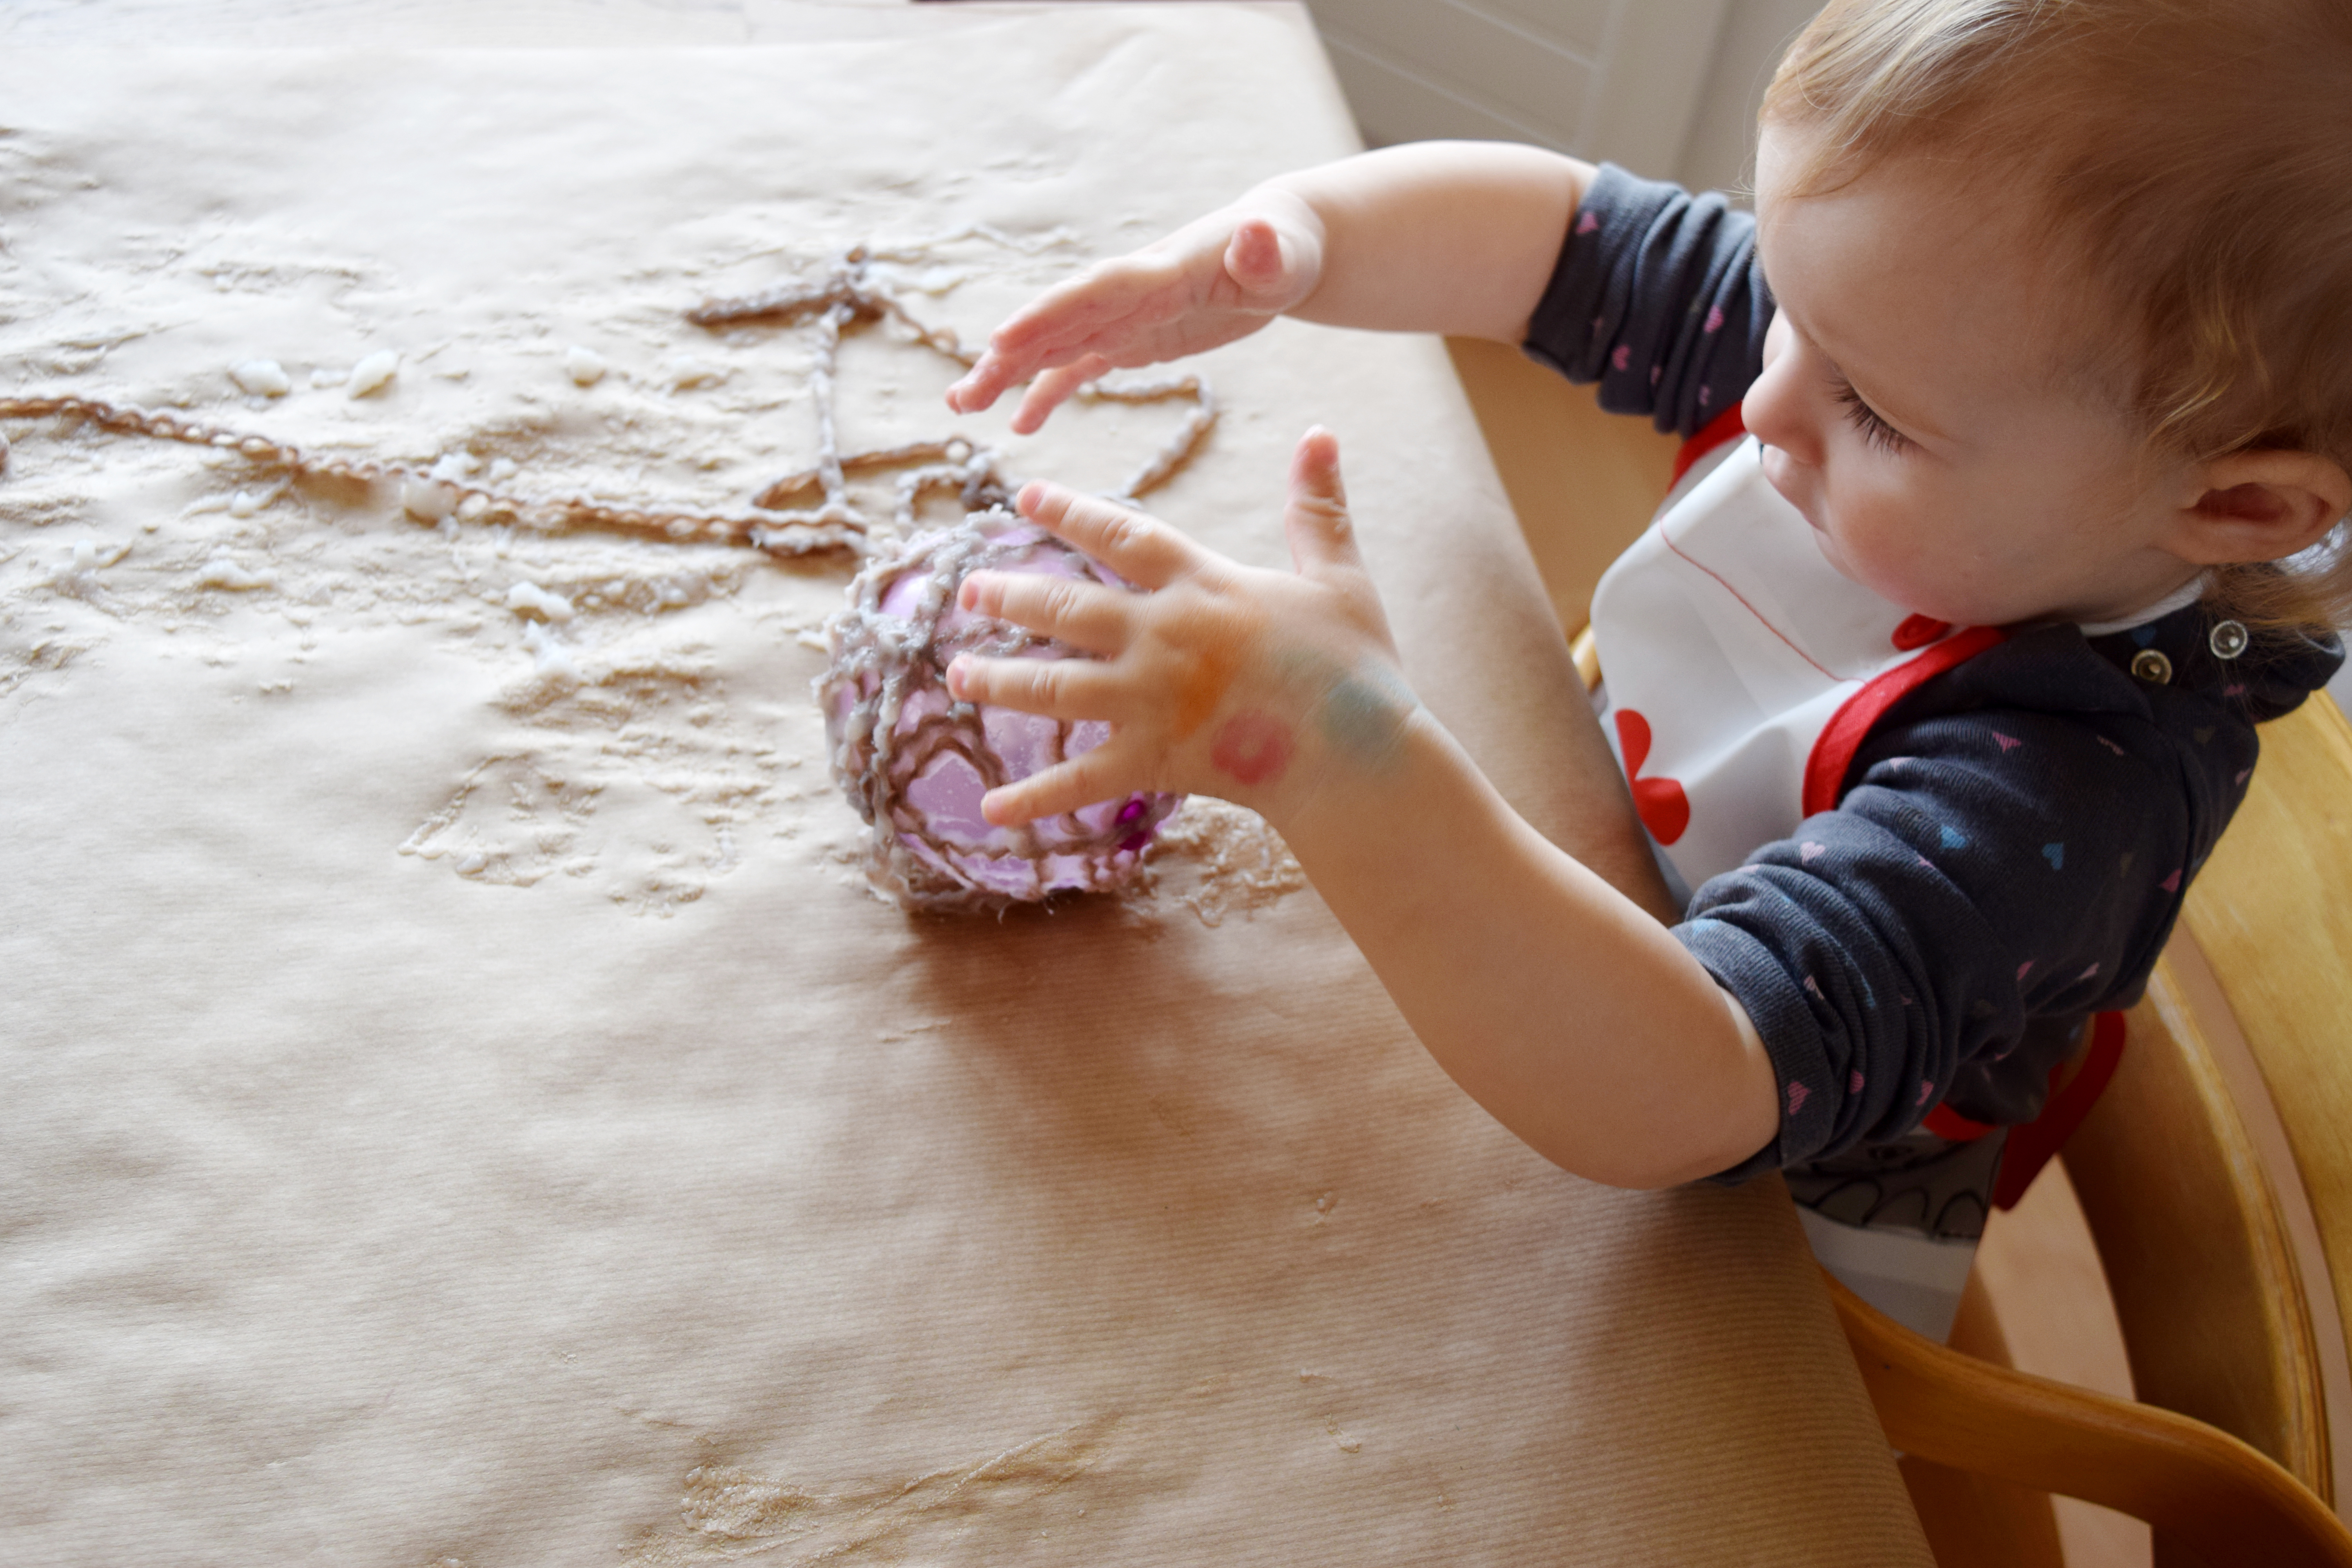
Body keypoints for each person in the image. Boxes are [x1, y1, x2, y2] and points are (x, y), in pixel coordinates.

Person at [936, 0, 2351, 1335]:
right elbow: (1571, 237)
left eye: (1874, 415)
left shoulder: (2064, 784)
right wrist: (1293, 239)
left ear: (2230, 510)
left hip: (1759, 1203)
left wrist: (1337, 744)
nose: (1761, 396)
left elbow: (1682, 1092)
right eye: (1789, 307)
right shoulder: (1915, 342)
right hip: (1585, 865)